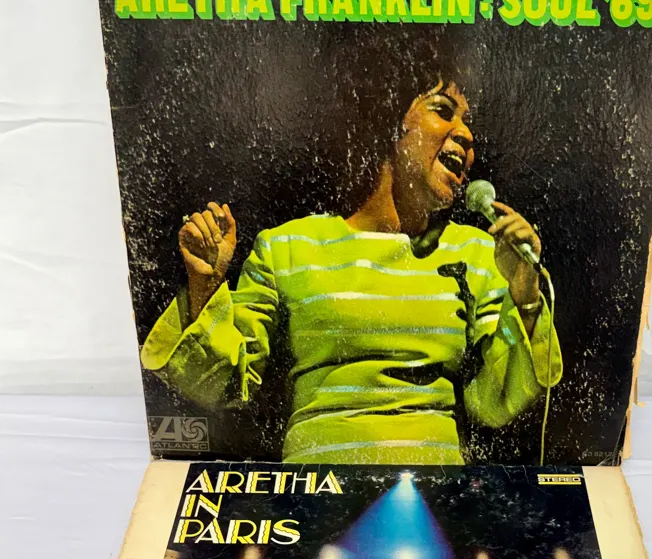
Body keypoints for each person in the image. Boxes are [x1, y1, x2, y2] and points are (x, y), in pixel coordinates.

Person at [141, 71, 562, 465]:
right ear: (390, 120)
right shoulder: (288, 247)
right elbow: (223, 386)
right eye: (443, 110)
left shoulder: (477, 252)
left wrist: (525, 296)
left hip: (433, 495)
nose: (467, 135)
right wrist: (205, 285)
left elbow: (495, 403)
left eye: (468, 123)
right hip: (317, 493)